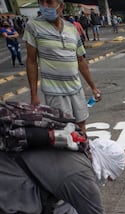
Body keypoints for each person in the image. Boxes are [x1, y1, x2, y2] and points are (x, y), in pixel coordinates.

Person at [23, 0, 101, 134]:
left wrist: (93, 87)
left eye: (49, 2)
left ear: (61, 6)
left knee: (81, 124)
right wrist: (34, 95)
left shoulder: (71, 28)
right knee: (63, 130)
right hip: (55, 92)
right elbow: (31, 61)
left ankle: (84, 151)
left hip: (76, 88)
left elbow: (81, 60)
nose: (45, 7)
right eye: (41, 3)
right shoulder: (33, 26)